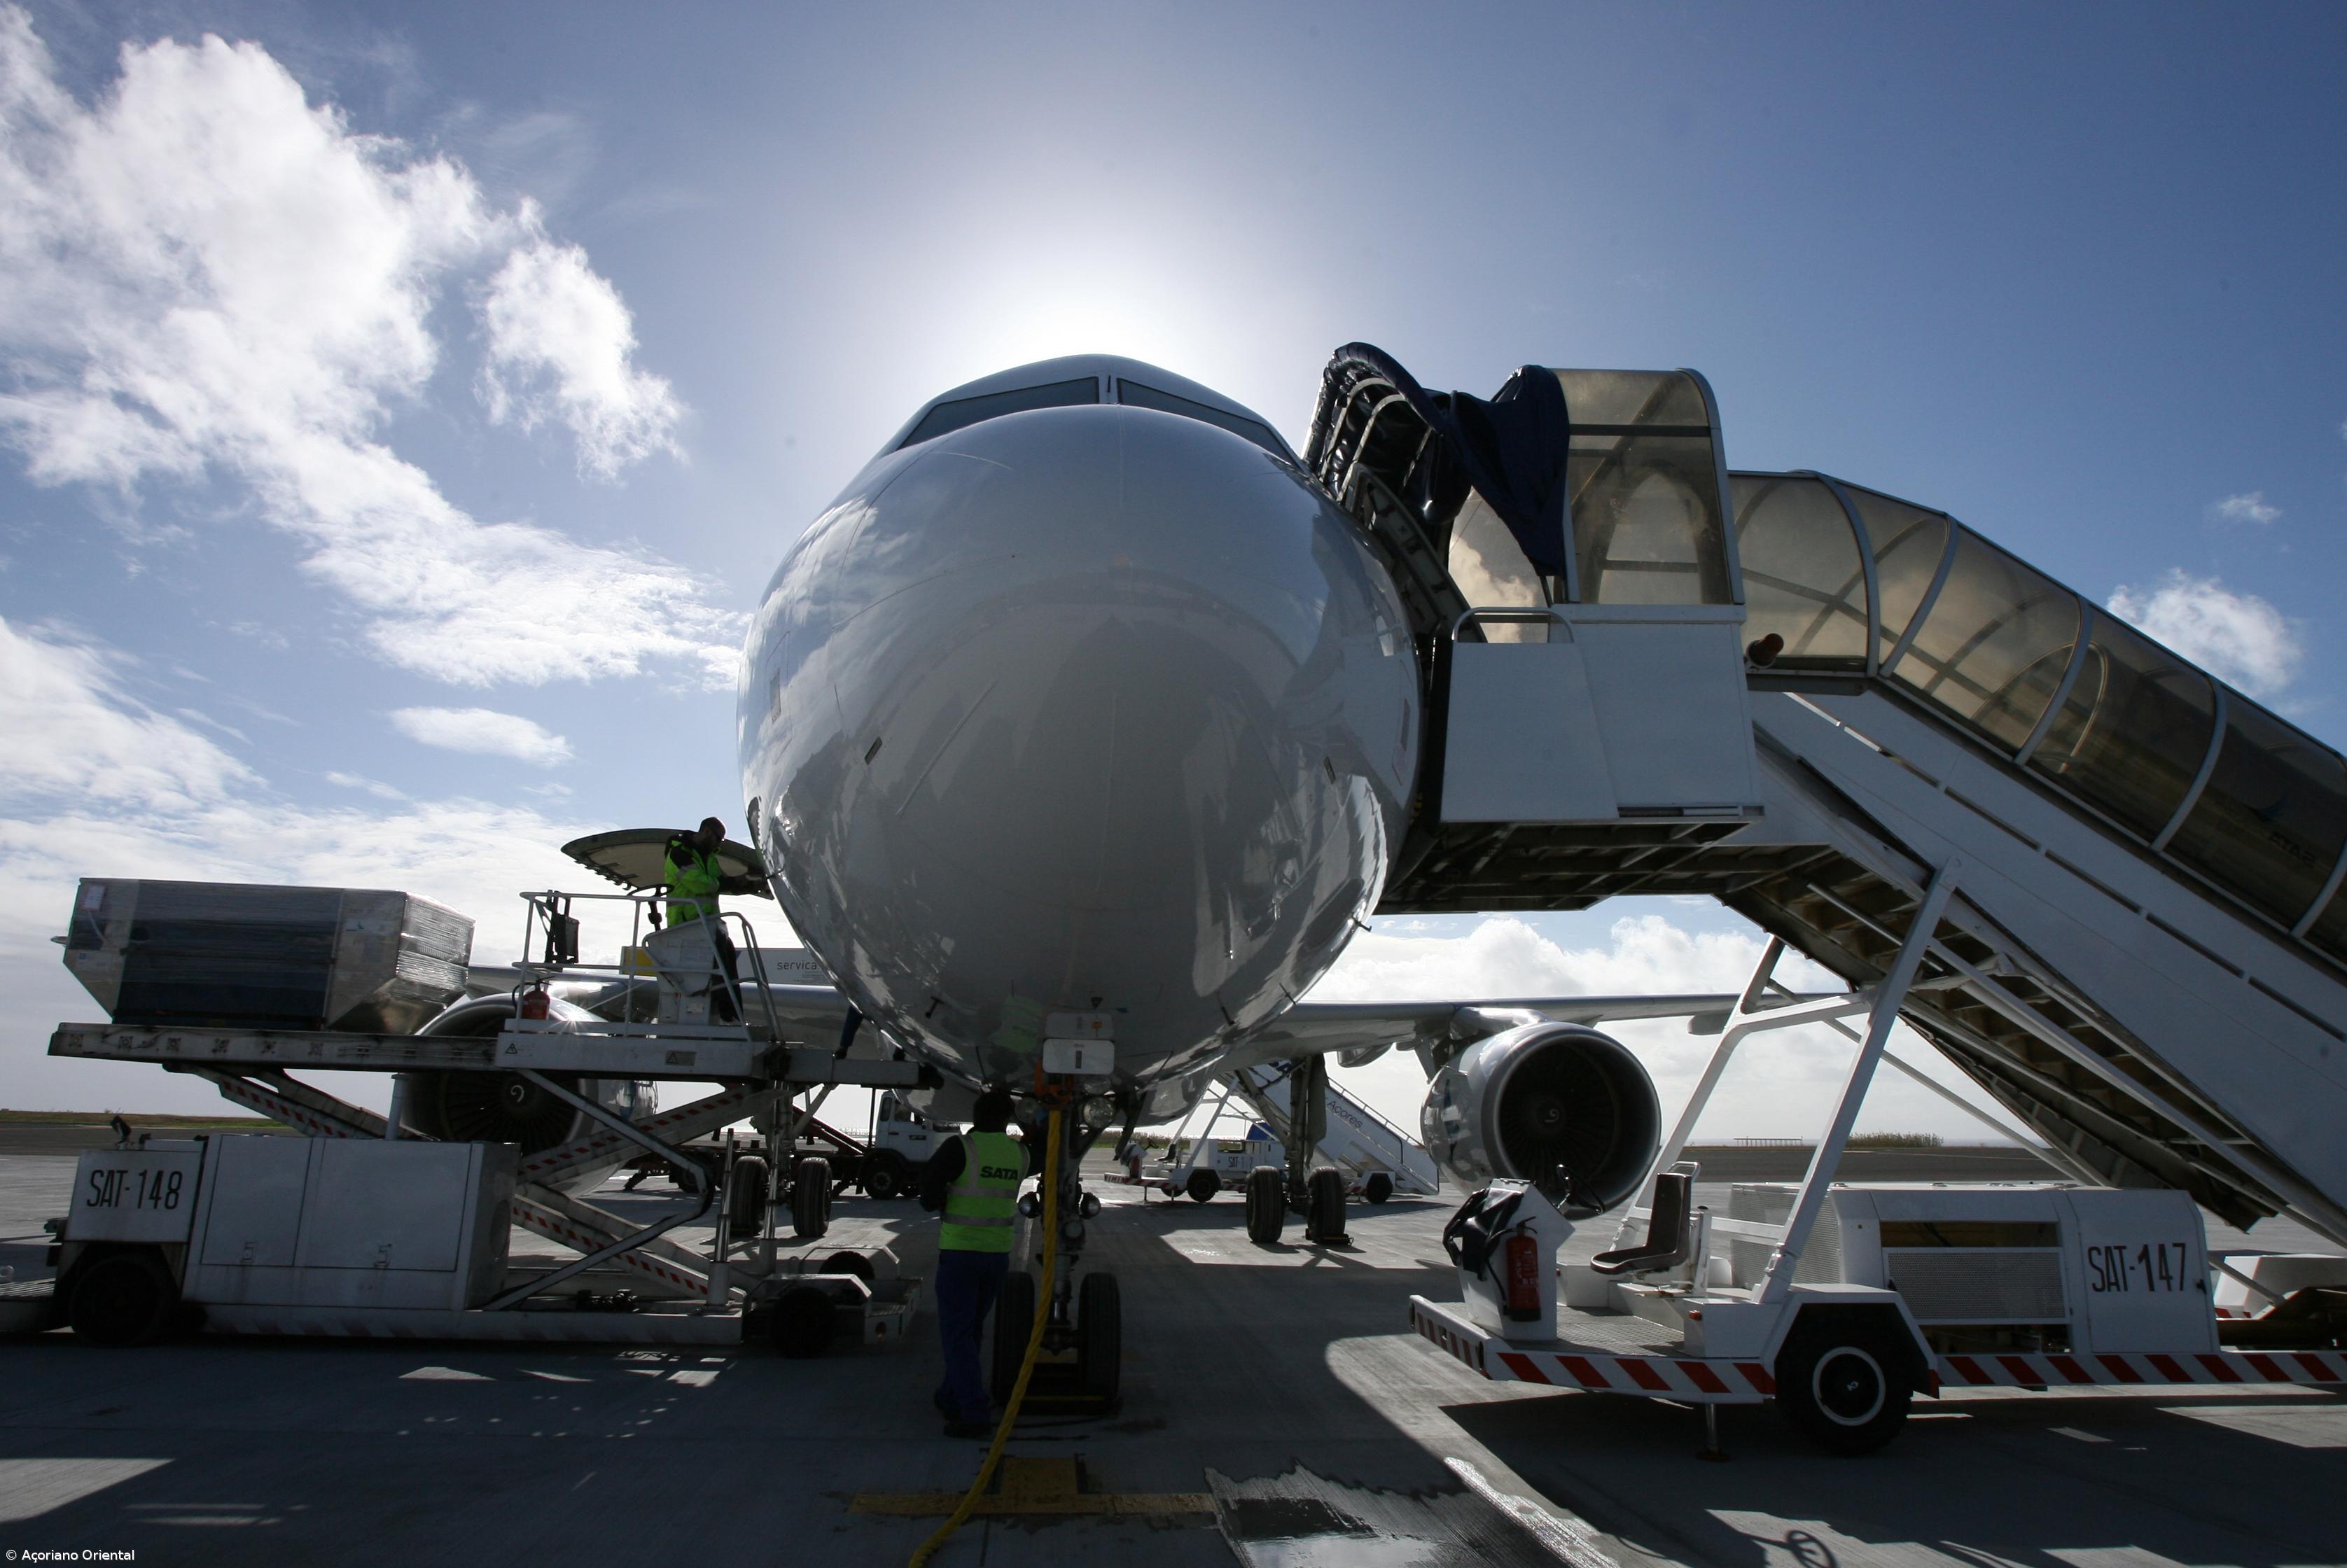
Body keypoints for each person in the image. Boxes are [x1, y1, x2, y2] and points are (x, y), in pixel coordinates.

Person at [920, 1087, 1028, 1437]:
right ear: (1008, 1119)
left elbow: (927, 1198)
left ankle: (974, 1411)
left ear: (976, 1115)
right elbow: (1041, 1153)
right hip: (996, 1256)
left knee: (957, 1332)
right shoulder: (1019, 1154)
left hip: (961, 1254)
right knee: (971, 1330)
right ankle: (952, 1393)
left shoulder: (961, 1147)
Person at [660, 817, 765, 1022]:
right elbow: (700, 884)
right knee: (714, 970)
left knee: (726, 960)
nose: (719, 844)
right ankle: (728, 1015)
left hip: (705, 925)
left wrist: (747, 886)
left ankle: (731, 1015)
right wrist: (735, 882)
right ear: (707, 832)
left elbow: (720, 883)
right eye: (719, 839)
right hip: (685, 926)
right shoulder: (679, 853)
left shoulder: (708, 858)